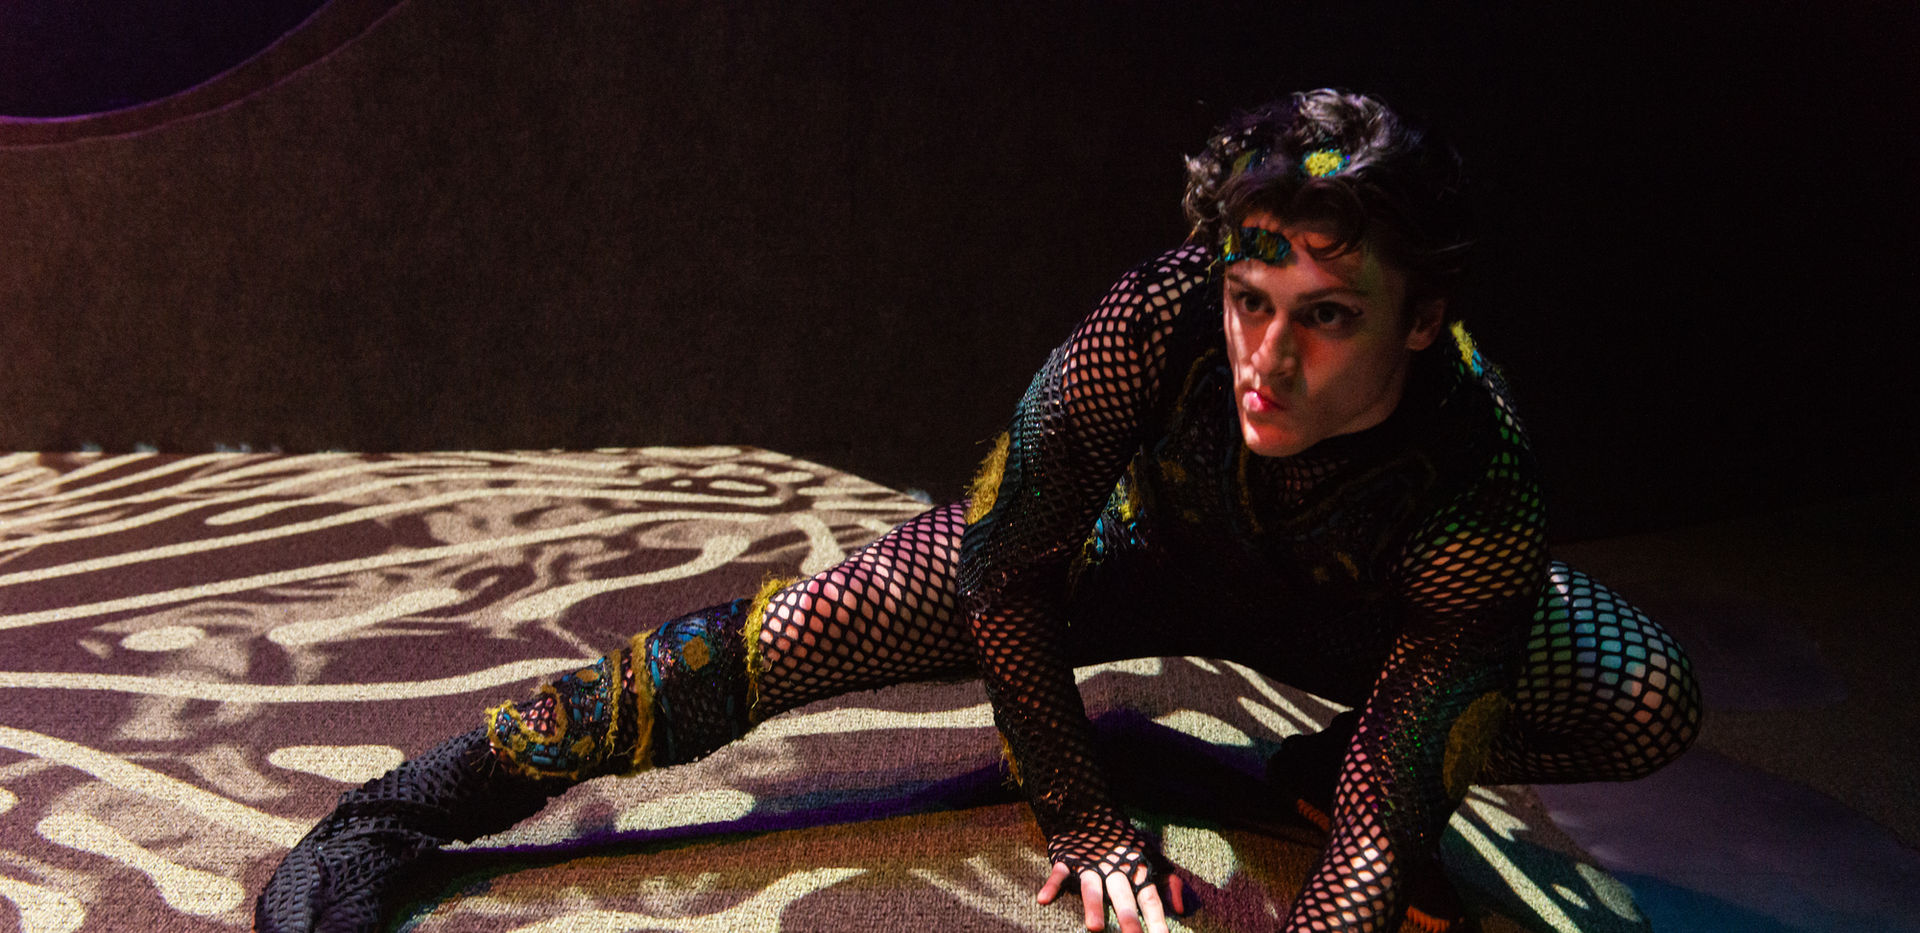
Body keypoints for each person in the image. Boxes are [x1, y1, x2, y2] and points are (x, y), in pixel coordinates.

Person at [254, 89, 1700, 933]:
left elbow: (1377, 847)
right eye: (1252, 300)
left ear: (1423, 318)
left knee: (1640, 696)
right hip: (1119, 554)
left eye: (1325, 316)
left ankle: (1300, 762)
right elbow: (1007, 577)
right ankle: (398, 813)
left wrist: (1369, 801)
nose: (1264, 358)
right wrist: (1086, 815)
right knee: (791, 633)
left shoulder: (1482, 474)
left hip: (1357, 617)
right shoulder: (1155, 319)